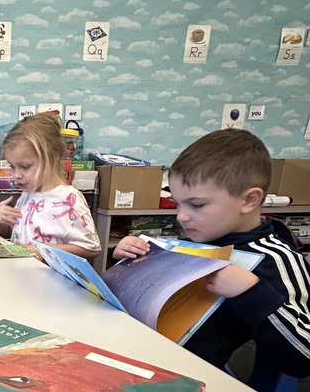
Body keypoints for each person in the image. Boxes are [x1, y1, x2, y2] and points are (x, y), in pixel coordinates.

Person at [112, 129, 310, 376]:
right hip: (137, 351)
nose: (182, 216)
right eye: (177, 203)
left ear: (249, 200)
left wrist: (250, 292)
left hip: (180, 376)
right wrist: (128, 262)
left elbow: (303, 356)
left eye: (196, 204)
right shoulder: (196, 243)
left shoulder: (277, 260)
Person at [0, 111, 100, 258]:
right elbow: (15, 234)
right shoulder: (29, 194)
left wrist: (41, 251)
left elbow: (91, 248)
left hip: (51, 280)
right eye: (12, 166)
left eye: (25, 167)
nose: (16, 175)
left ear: (52, 158)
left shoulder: (68, 199)